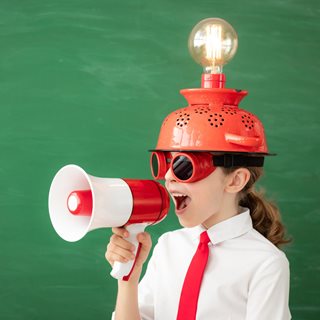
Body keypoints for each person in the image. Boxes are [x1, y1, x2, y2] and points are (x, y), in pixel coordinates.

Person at [105, 88, 291, 319]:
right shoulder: (168, 246)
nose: (169, 177)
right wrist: (128, 280)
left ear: (235, 180)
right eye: (166, 164)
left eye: (184, 166)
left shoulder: (265, 263)